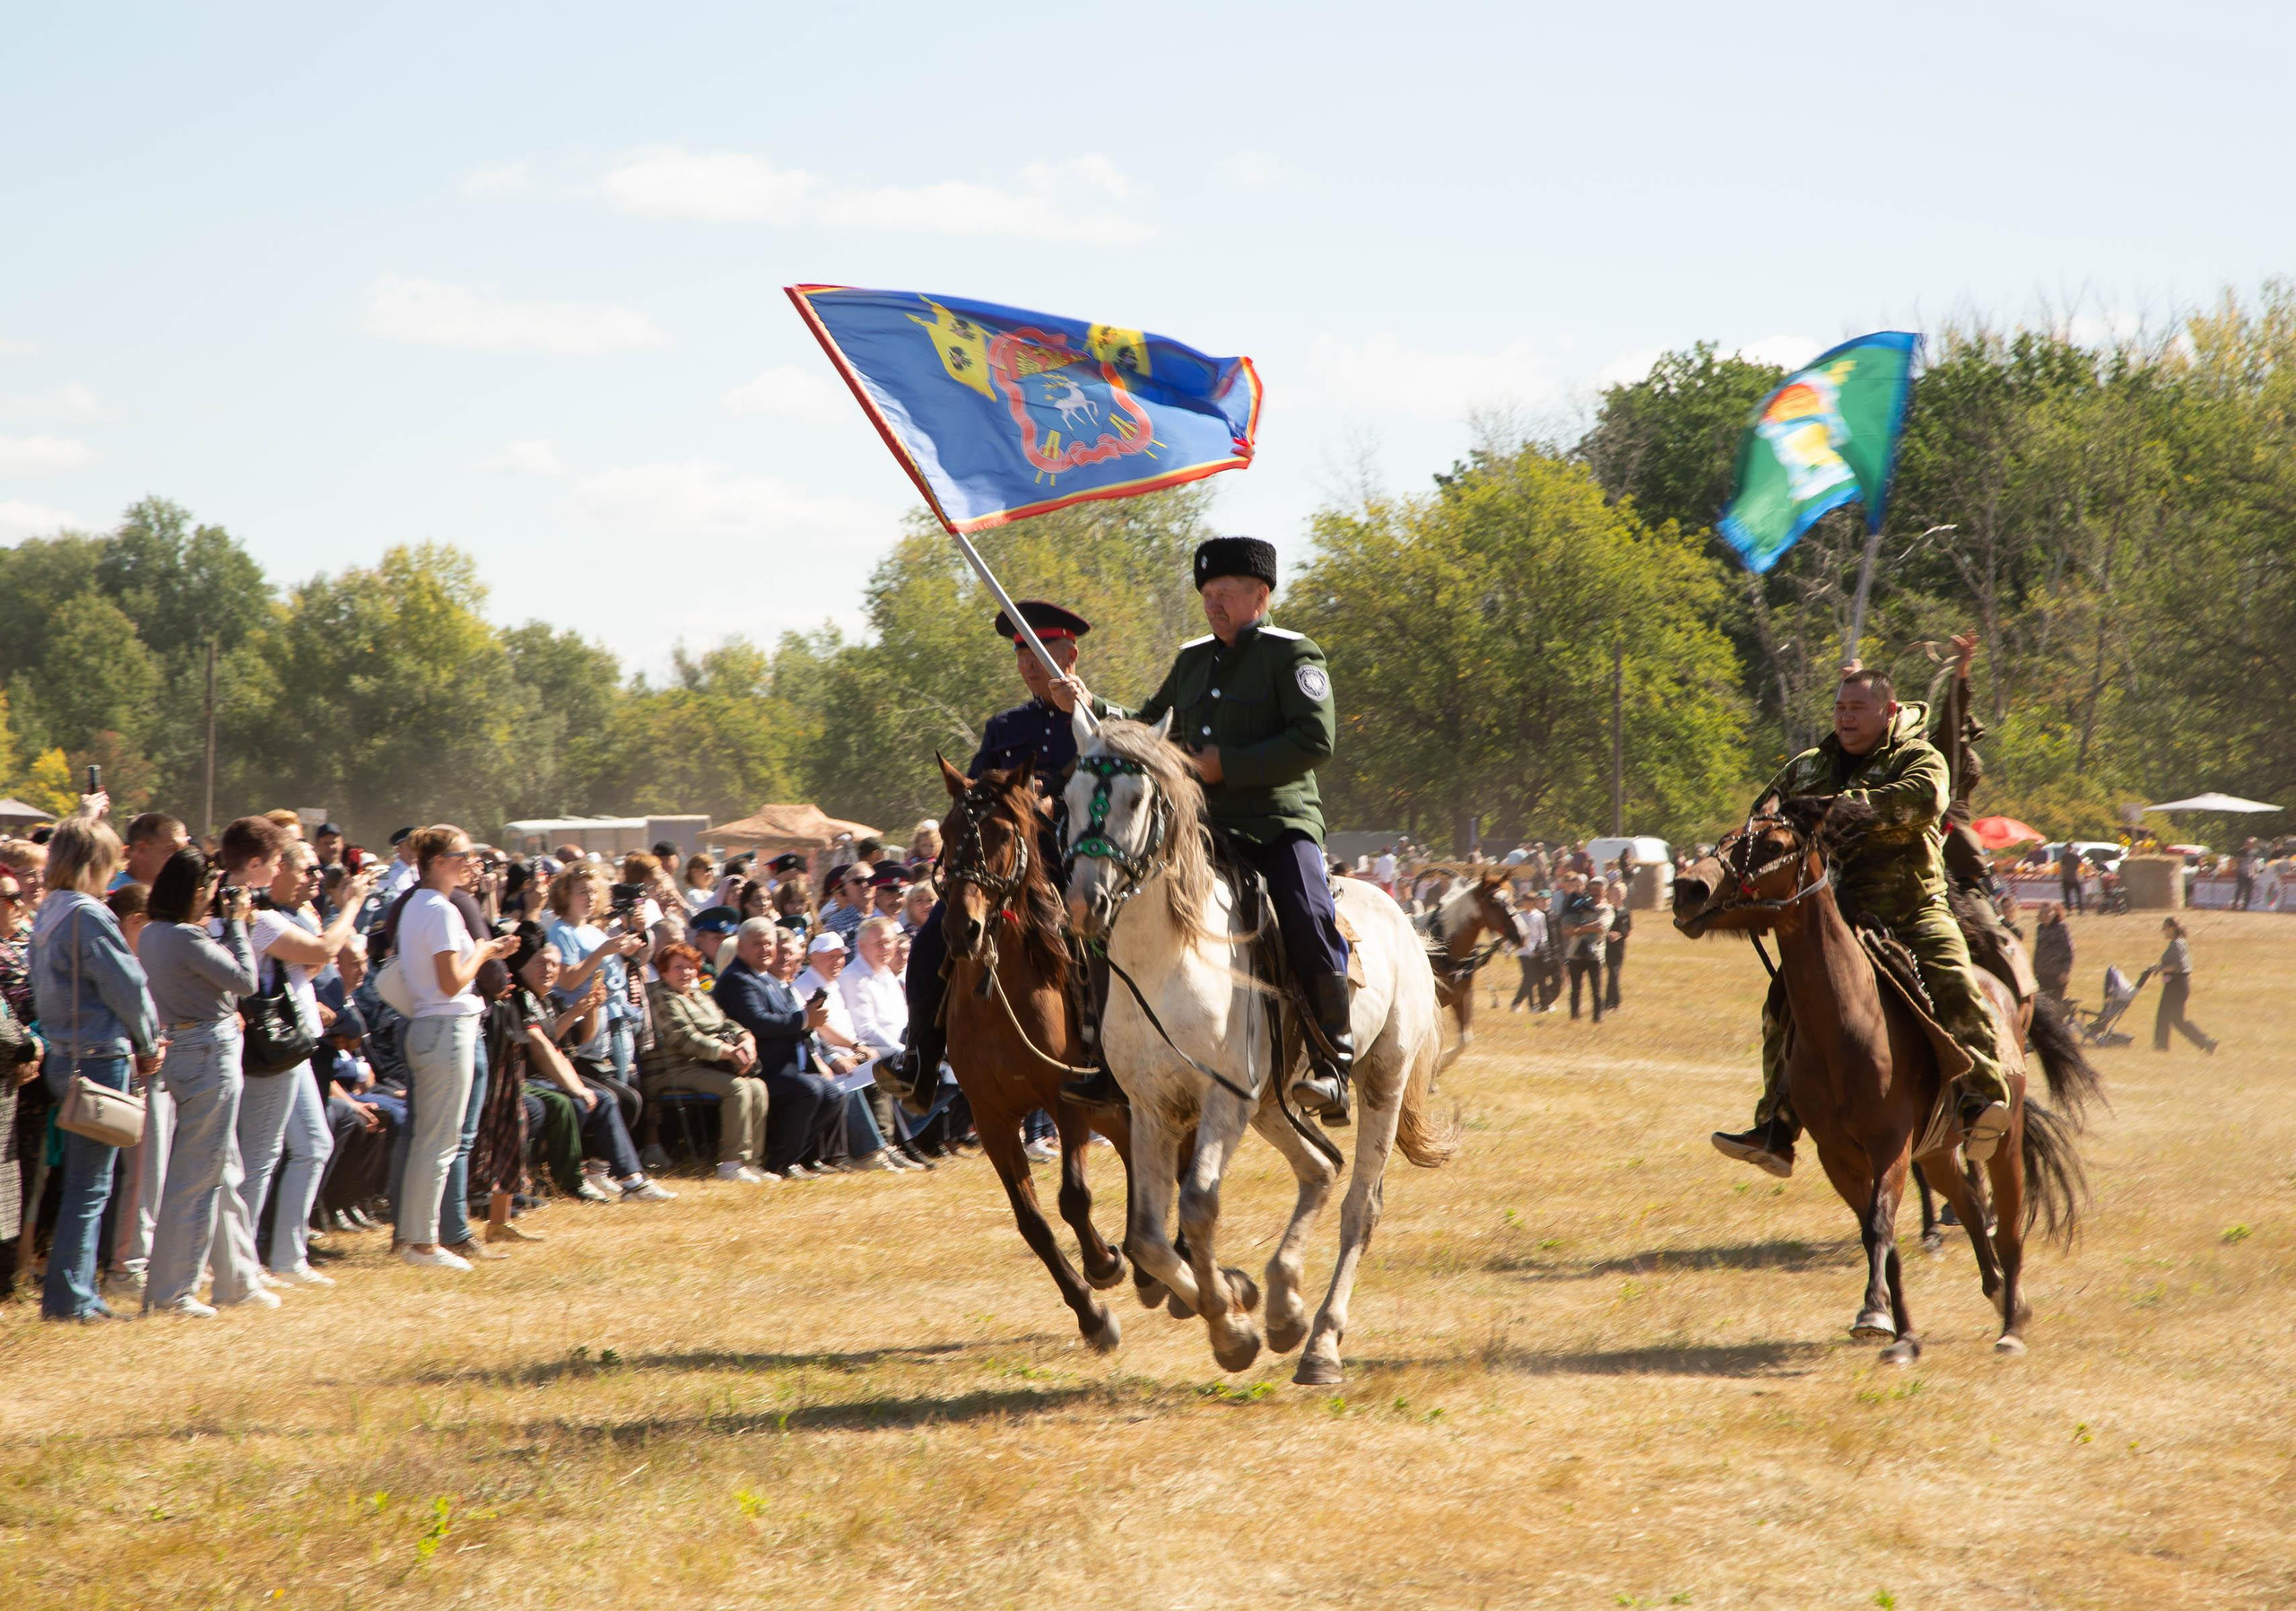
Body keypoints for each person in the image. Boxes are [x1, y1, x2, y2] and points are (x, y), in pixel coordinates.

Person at [1059, 540, 1355, 1123]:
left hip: (1276, 825)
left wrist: (1230, 766)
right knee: (1113, 910)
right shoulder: (1193, 660)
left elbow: (1316, 740)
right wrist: (1093, 703)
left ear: (1260, 595)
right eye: (1206, 595)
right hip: (1202, 829)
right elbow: (1147, 725)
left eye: (1224, 594)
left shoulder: (1293, 654)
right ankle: (1109, 1058)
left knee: (1308, 912)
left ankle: (1332, 1061)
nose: (1212, 605)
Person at [1710, 667, 2014, 1180]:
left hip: (1913, 909)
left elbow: (1921, 802)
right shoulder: (1808, 767)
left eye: (1857, 708)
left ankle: (1980, 1100)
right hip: (1836, 916)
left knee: (1953, 980)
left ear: (1888, 712)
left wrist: (1831, 810)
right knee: (1781, 1003)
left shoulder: (1919, 758)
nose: (1845, 718)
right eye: (1840, 708)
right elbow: (1763, 818)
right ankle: (1776, 1128)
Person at [892, 598, 1099, 1099]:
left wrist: (1055, 804)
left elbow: (1110, 798)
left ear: (1069, 655)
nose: (1028, 664)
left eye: (1040, 652)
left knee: (1103, 942)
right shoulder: (1003, 728)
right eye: (1022, 653)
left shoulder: (1095, 723)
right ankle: (920, 1056)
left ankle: (1109, 1059)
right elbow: (973, 796)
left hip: (1072, 865)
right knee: (931, 939)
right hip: (1000, 867)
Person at [30, 813, 161, 1321]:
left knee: (81, 1184)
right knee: (91, 1187)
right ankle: (72, 1300)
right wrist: (147, 1041)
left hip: (64, 1056)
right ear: (93, 863)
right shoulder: (88, 914)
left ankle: (75, 1293)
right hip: (99, 1059)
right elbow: (128, 985)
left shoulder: (49, 909)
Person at [137, 849, 269, 1316]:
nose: (218, 896)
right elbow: (246, 981)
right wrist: (237, 925)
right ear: (196, 891)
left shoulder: (153, 932)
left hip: (184, 1047)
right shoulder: (185, 936)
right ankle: (172, 1293)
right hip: (209, 1052)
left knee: (222, 1171)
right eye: (212, 888)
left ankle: (237, 1281)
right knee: (197, 1178)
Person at [238, 840, 375, 1285]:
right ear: (274, 870)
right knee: (260, 1157)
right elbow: (320, 952)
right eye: (306, 869)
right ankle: (243, 1262)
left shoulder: (289, 915)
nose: (314, 878)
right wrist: (351, 906)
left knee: (313, 1146)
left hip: (293, 1047)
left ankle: (287, 1258)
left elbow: (311, 965)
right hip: (269, 1050)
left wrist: (318, 931)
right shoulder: (260, 917)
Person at [396, 825, 521, 1269]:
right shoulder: (440, 909)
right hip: (447, 1029)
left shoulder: (418, 904)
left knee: (429, 1142)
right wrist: (484, 951)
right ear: (439, 862)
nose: (472, 864)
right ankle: (423, 1245)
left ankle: (416, 1239)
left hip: (431, 1027)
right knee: (440, 1144)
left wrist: (487, 951)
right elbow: (451, 982)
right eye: (464, 856)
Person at [713, 919, 843, 1178]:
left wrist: (809, 1019)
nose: (765, 950)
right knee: (810, 1089)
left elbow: (786, 1020)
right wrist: (804, 1019)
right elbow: (759, 1023)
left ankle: (796, 1158)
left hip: (785, 1065)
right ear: (741, 947)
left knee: (833, 1093)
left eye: (768, 944)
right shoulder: (738, 979)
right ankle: (779, 1163)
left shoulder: (767, 977)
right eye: (757, 944)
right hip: (758, 1067)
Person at [640, 942, 770, 1180]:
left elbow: (725, 1022)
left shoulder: (696, 993)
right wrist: (730, 1052)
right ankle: (730, 1164)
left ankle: (751, 1162)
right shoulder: (660, 996)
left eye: (690, 967)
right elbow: (684, 1039)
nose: (686, 973)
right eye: (678, 967)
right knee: (737, 1088)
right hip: (670, 1071)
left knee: (757, 1087)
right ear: (664, 972)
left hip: (703, 1065)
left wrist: (746, 1039)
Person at [2148, 918, 2217, 1054]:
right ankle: (2206, 1043)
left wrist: (2159, 969)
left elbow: (2178, 966)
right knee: (2177, 1020)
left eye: (2164, 928)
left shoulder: (2177, 944)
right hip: (2178, 985)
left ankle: (2160, 1048)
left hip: (2176, 985)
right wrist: (2160, 968)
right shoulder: (2179, 942)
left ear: (2172, 928)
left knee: (2163, 1018)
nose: (2163, 931)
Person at [1555, 872, 1611, 1023]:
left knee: (1596, 989)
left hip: (1595, 953)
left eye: (1598, 890)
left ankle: (1598, 1018)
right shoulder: (1579, 904)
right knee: (1575, 989)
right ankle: (1574, 1017)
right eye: (1592, 890)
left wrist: (1578, 929)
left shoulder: (1606, 909)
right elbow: (1566, 929)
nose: (1595, 893)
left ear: (1605, 891)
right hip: (1575, 952)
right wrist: (1584, 928)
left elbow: (1600, 926)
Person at [1508, 892, 1549, 1012]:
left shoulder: (1540, 916)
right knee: (1529, 977)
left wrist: (1542, 946)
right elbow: (1513, 933)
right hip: (1523, 951)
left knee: (1533, 978)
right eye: (1525, 901)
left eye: (1529, 901)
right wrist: (1509, 948)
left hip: (1536, 951)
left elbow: (1543, 934)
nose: (1526, 904)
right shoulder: (1518, 916)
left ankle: (1530, 1005)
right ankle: (1517, 1003)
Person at [2032, 903, 2074, 1002]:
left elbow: (2069, 951)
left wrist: (2065, 971)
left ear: (2055, 913)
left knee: (2055, 1004)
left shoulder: (2061, 928)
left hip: (2056, 973)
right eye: (2043, 912)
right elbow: (2038, 951)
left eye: (2048, 912)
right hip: (2041, 974)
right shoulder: (2040, 928)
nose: (2045, 915)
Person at [1603, 877, 1631, 1011]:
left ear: (1624, 894)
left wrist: (1619, 935)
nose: (1618, 895)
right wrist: (1607, 934)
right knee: (1612, 974)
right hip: (1606, 946)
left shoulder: (1625, 912)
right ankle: (1613, 1002)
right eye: (1615, 892)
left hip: (1618, 948)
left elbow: (1628, 930)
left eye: (1620, 892)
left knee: (1614, 974)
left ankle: (1612, 1003)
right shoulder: (1607, 910)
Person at [2056, 839, 2086, 914]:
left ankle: (2069, 910)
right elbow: (2081, 863)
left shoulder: (2064, 856)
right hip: (2074, 877)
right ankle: (2081, 910)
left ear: (2068, 848)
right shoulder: (2075, 856)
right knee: (2078, 894)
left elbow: (2062, 867)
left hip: (2067, 877)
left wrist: (2062, 874)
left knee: (2067, 895)